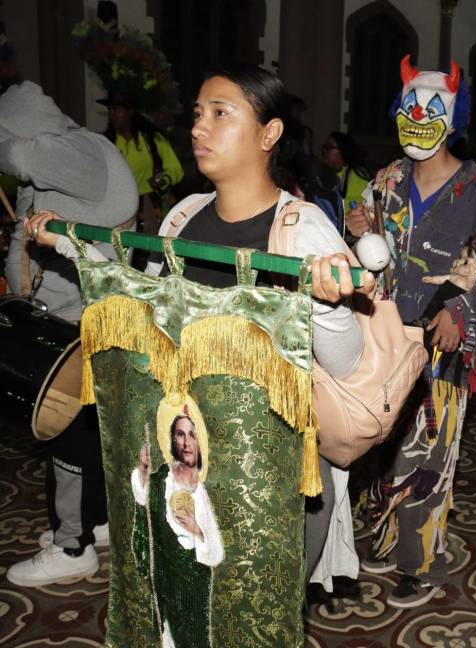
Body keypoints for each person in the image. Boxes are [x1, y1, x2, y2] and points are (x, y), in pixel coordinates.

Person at [28, 62, 371, 615]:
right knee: (189, 613)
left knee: (253, 619)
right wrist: (69, 243)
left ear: (269, 133)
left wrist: (326, 302)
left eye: (220, 113)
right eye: (197, 114)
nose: (198, 128)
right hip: (188, 460)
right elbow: (144, 303)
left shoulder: (300, 228)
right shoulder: (184, 216)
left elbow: (347, 360)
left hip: (273, 477)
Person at [345, 56, 476, 609]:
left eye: (432, 108)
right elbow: (366, 256)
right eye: (410, 106)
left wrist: (462, 313)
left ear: (454, 118)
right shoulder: (386, 182)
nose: (418, 117)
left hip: (441, 350)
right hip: (382, 342)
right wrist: (357, 231)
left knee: (428, 458)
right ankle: (384, 535)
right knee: (380, 447)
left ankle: (419, 563)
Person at [2, 80, 138, 588]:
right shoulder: (65, 153)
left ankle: (72, 546)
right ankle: (94, 523)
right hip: (69, 323)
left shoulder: (78, 153)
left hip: (84, 326)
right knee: (86, 433)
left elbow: (19, 155)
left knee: (67, 438)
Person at [131, 407, 223, 648]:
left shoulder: (202, 492)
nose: (187, 443)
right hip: (166, 575)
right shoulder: (163, 478)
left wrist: (197, 530)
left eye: (193, 435)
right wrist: (143, 471)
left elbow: (215, 551)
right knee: (167, 633)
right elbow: (143, 498)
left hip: (195, 584)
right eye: (180, 434)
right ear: (172, 439)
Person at [99, 92, 184, 236]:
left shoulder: (152, 140)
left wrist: (164, 179)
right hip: (118, 207)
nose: (112, 114)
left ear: (130, 112)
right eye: (110, 110)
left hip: (150, 208)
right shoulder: (107, 142)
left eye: (116, 110)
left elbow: (176, 169)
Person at [321, 131, 370, 217]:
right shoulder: (321, 173)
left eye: (329, 147)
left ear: (343, 151)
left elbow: (358, 205)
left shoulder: (358, 176)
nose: (324, 150)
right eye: (324, 146)